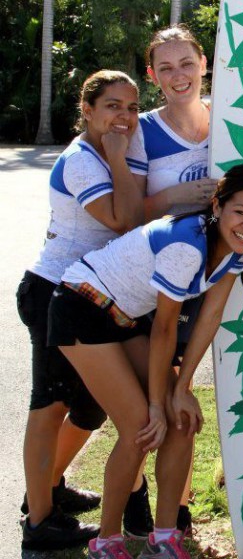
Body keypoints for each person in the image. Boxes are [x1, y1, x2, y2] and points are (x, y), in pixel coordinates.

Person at [48, 164, 243, 559]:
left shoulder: (236, 254)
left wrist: (183, 388)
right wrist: (158, 401)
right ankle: (107, 541)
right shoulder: (187, 244)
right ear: (217, 207)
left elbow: (209, 318)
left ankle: (165, 538)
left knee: (182, 421)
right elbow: (165, 330)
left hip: (123, 317)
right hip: (83, 306)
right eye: (240, 212)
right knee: (141, 425)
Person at [17, 70, 144, 550]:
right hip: (52, 291)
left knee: (89, 409)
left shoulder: (115, 149)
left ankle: (51, 485)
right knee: (49, 407)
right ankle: (39, 520)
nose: (124, 117)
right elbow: (121, 218)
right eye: (112, 106)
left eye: (132, 108)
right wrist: (116, 155)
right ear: (87, 110)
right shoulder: (83, 160)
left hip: (92, 295)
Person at [124, 24, 218, 537]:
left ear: (204, 63)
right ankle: (141, 499)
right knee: (151, 398)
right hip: (157, 283)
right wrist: (176, 200)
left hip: (211, 280)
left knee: (186, 399)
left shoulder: (231, 117)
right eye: (166, 67)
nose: (178, 75)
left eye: (187, 63)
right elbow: (126, 211)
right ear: (152, 75)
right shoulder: (142, 130)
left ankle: (176, 508)